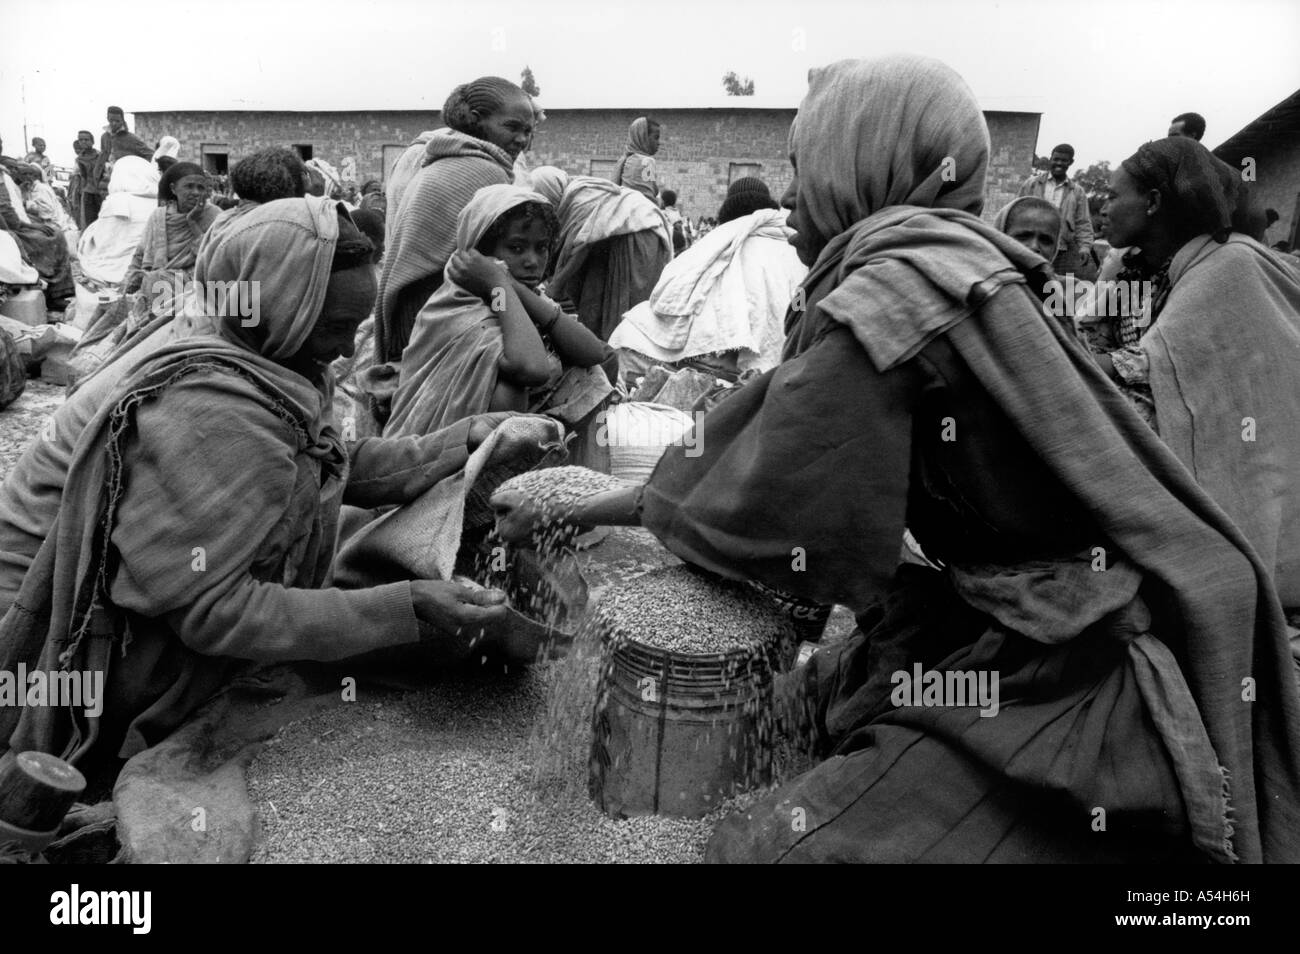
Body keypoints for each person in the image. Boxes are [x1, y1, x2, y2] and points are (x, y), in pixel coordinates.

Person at [493, 54, 1300, 864]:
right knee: (811, 708)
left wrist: (568, 504)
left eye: (804, 170)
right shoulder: (956, 265)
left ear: (860, 165)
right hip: (1001, 608)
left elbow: (755, 485)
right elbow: (768, 430)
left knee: (772, 848)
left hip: (1071, 660)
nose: (791, 197)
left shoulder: (894, 299)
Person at [0, 197, 514, 780]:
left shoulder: (248, 342)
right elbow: (213, 611)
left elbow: (317, 464)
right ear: (282, 305)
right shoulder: (211, 406)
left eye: (355, 327)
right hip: (78, 642)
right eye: (337, 328)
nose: (348, 351)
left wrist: (459, 442)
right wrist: (405, 607)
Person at [1097, 136, 1300, 608]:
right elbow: (1103, 342)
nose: (1102, 207)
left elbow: (1147, 364)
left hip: (1247, 444)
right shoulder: (1136, 269)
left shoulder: (1227, 265)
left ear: (1151, 203)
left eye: (1111, 196)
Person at [385, 184, 611, 438]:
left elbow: (594, 353)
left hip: (495, 441)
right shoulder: (459, 306)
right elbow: (530, 368)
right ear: (480, 253)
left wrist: (512, 287)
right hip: (435, 449)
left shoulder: (526, 295)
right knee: (511, 387)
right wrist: (500, 284)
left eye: (542, 247)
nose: (532, 261)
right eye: (516, 248)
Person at [375, 77, 534, 373]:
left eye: (528, 131)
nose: (522, 140)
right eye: (512, 127)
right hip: (436, 320)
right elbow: (490, 273)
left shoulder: (443, 159)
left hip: (413, 318)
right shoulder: (484, 172)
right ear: (477, 122)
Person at [609, 200, 807, 380]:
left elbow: (669, 298)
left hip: (712, 361)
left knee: (626, 336)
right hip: (781, 364)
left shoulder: (718, 241)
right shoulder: (800, 257)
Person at [528, 166, 673, 342]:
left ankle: (617, 347)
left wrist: (556, 287)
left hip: (638, 233)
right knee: (602, 298)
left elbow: (582, 245)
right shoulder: (574, 192)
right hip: (635, 229)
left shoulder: (578, 198)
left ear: (550, 190)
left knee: (625, 307)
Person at [0, 138, 73, 307]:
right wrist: (26, 226)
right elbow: (5, 212)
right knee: (52, 237)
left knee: (52, 231)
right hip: (7, 227)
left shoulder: (6, 175)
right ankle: (52, 292)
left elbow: (11, 207)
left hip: (11, 222)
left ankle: (54, 292)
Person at [1017, 144, 1093, 277]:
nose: (1059, 163)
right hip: (1032, 245)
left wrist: (1085, 247)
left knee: (1053, 286)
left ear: (1071, 162)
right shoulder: (1031, 184)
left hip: (1061, 250)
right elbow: (1017, 213)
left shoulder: (1077, 192)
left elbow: (1082, 222)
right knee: (1029, 282)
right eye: (1056, 159)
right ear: (1050, 159)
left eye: (1064, 160)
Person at [94, 107, 154, 196]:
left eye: (117, 121)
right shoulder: (104, 137)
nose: (114, 123)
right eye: (111, 120)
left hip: (124, 180)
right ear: (107, 119)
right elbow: (103, 156)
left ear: (122, 120)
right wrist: (96, 174)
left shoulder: (131, 138)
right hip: (106, 179)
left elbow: (150, 154)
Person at [613, 117, 661, 203]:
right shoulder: (646, 161)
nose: (659, 143)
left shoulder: (623, 160)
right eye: (656, 137)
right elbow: (647, 201)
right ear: (643, 137)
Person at [74, 130, 103, 228]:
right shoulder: (80, 159)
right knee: (90, 221)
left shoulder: (100, 156)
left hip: (101, 192)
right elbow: (84, 176)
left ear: (92, 141)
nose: (83, 142)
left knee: (102, 218)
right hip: (88, 193)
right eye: (81, 140)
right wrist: (82, 192)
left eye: (86, 139)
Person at [661, 188, 687, 253]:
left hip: (672, 247)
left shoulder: (663, 214)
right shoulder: (677, 213)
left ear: (664, 202)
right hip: (681, 245)